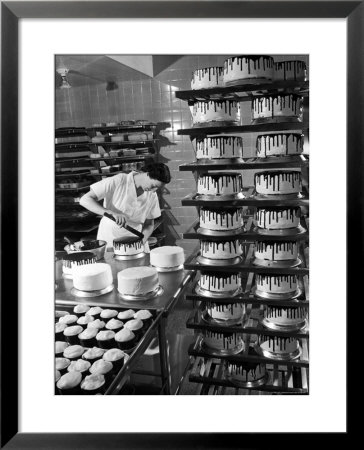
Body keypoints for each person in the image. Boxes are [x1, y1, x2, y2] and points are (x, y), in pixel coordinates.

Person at [79, 162, 171, 251]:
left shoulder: (152, 195)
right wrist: (111, 213)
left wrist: (141, 242)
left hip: (136, 241)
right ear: (147, 174)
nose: (154, 191)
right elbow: (85, 199)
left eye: (157, 188)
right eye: (153, 186)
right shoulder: (119, 181)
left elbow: (149, 224)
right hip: (111, 239)